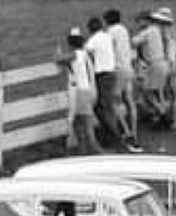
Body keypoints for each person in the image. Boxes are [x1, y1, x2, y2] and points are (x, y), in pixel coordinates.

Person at [85, 16, 138, 150]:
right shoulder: (107, 37)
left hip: (102, 75)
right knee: (109, 105)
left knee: (104, 106)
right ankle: (117, 133)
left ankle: (115, 137)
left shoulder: (93, 40)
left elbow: (86, 52)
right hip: (112, 72)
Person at [60, 28, 102, 153]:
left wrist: (58, 52)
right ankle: (84, 150)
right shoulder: (85, 54)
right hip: (89, 90)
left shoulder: (74, 54)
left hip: (80, 92)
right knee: (80, 123)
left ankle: (94, 150)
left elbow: (58, 59)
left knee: (84, 124)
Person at [102, 9, 140, 143]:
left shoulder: (110, 32)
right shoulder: (124, 29)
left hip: (118, 70)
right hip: (128, 67)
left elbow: (107, 49)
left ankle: (126, 130)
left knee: (115, 101)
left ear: (107, 20)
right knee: (130, 101)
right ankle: (135, 131)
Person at [131, 12, 170, 126]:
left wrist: (133, 35)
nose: (138, 24)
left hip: (154, 64)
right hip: (161, 62)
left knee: (147, 91)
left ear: (146, 20)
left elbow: (133, 43)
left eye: (139, 21)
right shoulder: (156, 30)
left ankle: (162, 113)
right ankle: (161, 114)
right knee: (157, 91)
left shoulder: (147, 32)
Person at [159, 9, 176, 130]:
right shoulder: (173, 30)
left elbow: (171, 50)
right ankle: (174, 120)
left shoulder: (166, 33)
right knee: (174, 94)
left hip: (173, 64)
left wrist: (171, 64)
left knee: (173, 94)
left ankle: (175, 121)